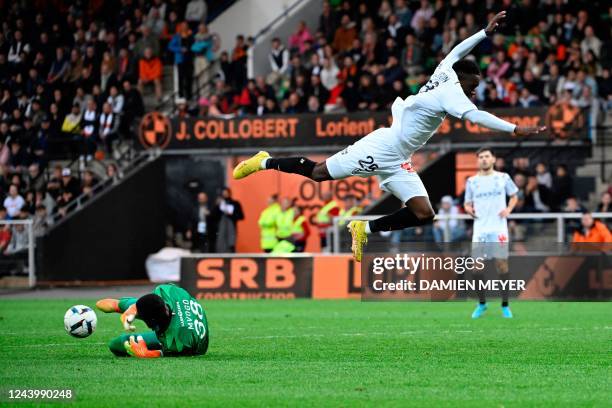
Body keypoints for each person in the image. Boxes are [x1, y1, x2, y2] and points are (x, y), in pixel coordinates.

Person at [233, 11, 545, 262]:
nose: (474, 90)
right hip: (384, 146)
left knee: (424, 213)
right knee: (318, 173)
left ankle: (365, 227)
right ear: (461, 82)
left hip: (399, 159)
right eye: (472, 85)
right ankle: (266, 161)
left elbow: (456, 51)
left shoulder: (448, 71)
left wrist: (484, 34)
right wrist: (515, 128)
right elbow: (477, 117)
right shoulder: (452, 93)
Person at [463, 147, 518, 319]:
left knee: (502, 265)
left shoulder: (503, 178)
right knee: (476, 268)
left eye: (487, 156)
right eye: (480, 157)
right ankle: (482, 303)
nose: (484, 159)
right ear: (477, 160)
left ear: (493, 159)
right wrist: (468, 209)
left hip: (498, 229)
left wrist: (509, 208)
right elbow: (467, 203)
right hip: (480, 229)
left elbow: (514, 195)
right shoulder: (472, 181)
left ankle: (505, 305)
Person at [95, 283, 209, 358]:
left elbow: (164, 353)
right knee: (121, 305)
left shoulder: (178, 341)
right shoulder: (166, 292)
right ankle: (127, 308)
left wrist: (145, 353)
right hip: (175, 311)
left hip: (189, 339)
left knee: (117, 343)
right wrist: (132, 309)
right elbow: (100, 304)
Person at [213, 188, 244, 253]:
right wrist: (217, 206)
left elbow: (241, 216)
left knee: (231, 243)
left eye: (226, 193)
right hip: (221, 228)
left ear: (229, 193)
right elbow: (214, 216)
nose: (225, 195)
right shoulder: (220, 204)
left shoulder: (235, 203)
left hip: (231, 228)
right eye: (223, 193)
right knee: (221, 244)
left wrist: (231, 214)